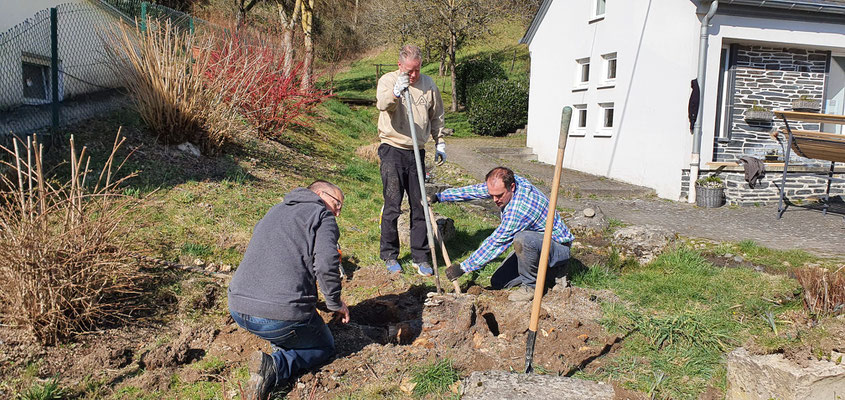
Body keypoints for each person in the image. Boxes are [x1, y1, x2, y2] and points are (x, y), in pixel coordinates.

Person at [227, 180, 350, 400]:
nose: (337, 213)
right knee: (325, 346)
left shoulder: (277, 209)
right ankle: (275, 366)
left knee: (288, 325)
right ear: (320, 194)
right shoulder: (322, 215)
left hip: (237, 307)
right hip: (275, 318)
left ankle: (281, 341)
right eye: (337, 204)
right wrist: (335, 303)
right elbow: (326, 264)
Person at [430, 167, 575, 302]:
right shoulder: (509, 183)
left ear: (511, 187)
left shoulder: (520, 209)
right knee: (498, 282)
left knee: (522, 239)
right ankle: (544, 273)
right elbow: (476, 190)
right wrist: (441, 197)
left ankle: (536, 283)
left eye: (499, 196)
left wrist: (463, 268)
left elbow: (495, 243)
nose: (494, 200)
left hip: (557, 247)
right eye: (492, 195)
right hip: (537, 243)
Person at [375, 44, 447, 276]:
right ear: (399, 66)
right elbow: (382, 104)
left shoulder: (428, 85)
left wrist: (440, 141)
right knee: (393, 203)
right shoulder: (388, 80)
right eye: (409, 70)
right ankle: (389, 254)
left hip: (417, 150)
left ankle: (420, 256)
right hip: (392, 149)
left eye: (417, 70)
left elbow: (437, 116)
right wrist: (396, 91)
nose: (414, 75)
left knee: (420, 205)